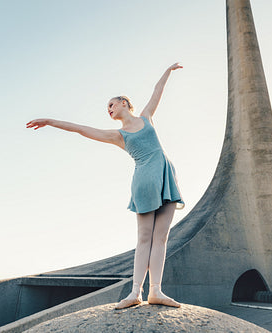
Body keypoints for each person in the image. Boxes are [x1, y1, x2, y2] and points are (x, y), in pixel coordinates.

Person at [26, 62, 185, 310]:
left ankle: (156, 291)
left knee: (161, 238)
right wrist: (51, 121)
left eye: (111, 104)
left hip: (166, 177)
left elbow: (157, 91)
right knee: (145, 238)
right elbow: (81, 129)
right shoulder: (117, 135)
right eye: (106, 108)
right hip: (144, 181)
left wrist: (168, 71)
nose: (108, 110)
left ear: (124, 103)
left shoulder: (146, 117)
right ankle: (135, 292)